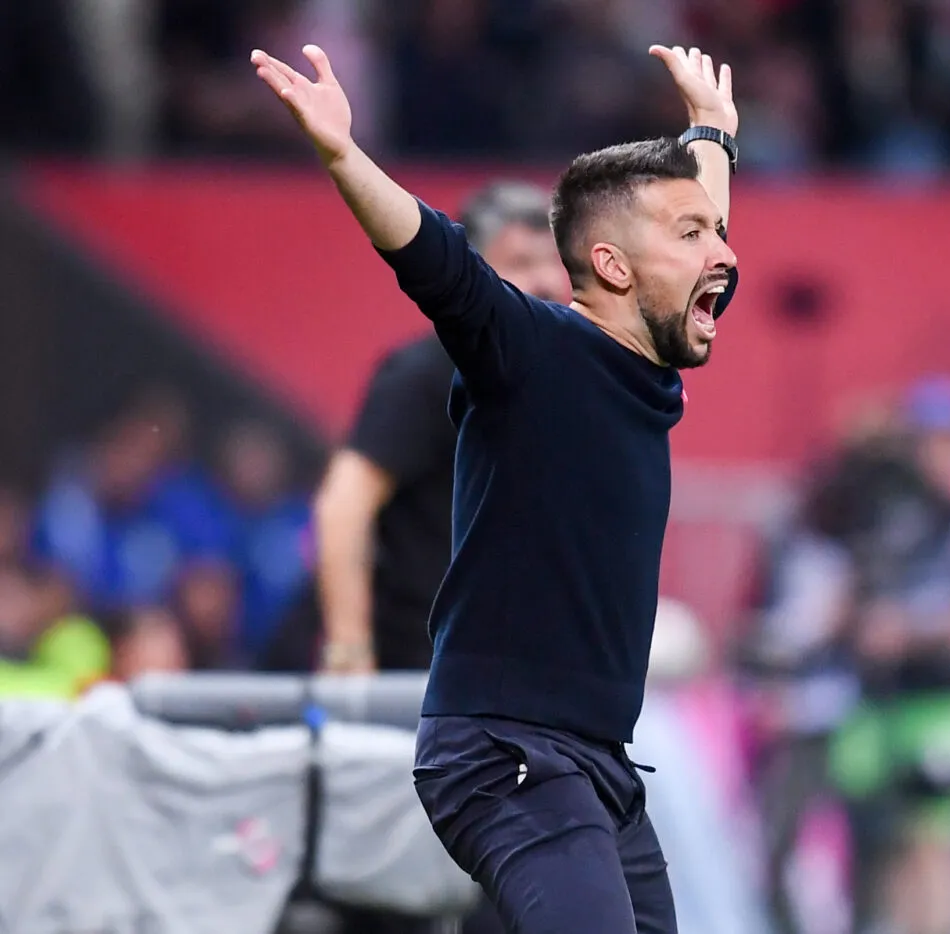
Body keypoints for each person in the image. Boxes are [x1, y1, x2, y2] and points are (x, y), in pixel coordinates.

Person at [251, 38, 738, 934]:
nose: (723, 252)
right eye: (693, 233)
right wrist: (342, 154)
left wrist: (714, 133)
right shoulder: (534, 348)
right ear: (617, 268)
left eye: (716, 229)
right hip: (506, 750)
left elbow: (689, 241)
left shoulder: (648, 369)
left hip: (591, 764)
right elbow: (438, 259)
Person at [312, 181, 570, 676]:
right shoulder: (427, 373)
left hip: (514, 671)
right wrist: (348, 648)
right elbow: (341, 508)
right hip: (426, 676)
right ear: (470, 274)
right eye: (520, 262)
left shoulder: (552, 375)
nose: (545, 281)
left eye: (551, 261)